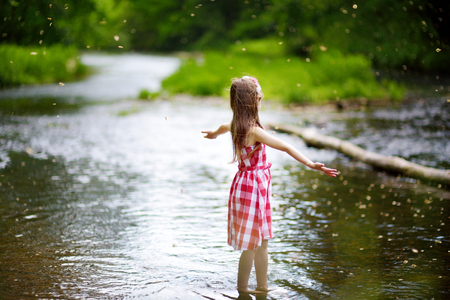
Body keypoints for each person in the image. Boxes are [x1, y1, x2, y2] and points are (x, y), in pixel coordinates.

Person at [202, 76, 338, 294]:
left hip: (244, 185)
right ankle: (255, 289)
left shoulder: (235, 125)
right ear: (252, 102)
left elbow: (221, 127)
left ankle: (247, 290)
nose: (260, 101)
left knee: (252, 244)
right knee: (258, 244)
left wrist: (213, 135)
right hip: (255, 188)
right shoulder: (254, 131)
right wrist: (310, 163)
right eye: (259, 98)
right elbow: (284, 146)